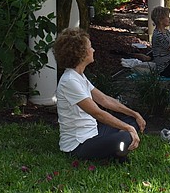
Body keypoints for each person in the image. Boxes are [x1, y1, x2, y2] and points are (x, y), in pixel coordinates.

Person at [53, 27, 146, 161]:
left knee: (132, 121)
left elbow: (104, 100)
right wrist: (127, 129)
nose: (93, 50)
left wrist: (134, 114)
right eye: (90, 47)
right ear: (81, 53)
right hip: (79, 145)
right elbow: (97, 113)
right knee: (126, 136)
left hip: (94, 133)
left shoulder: (79, 76)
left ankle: (115, 148)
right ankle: (117, 151)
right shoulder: (69, 81)